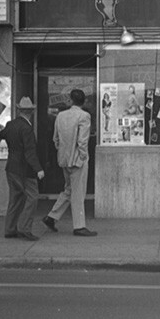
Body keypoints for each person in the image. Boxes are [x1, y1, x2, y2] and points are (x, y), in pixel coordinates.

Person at [43, 89, 97, 237]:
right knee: (78, 193)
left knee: (69, 190)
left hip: (64, 158)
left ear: (70, 100)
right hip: (77, 159)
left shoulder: (60, 115)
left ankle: (51, 217)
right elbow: (82, 141)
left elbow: (55, 138)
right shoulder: (84, 116)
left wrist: (62, 151)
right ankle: (79, 226)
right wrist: (83, 157)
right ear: (83, 101)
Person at [1, 96, 45, 241]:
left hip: (11, 167)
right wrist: (38, 169)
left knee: (15, 198)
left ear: (19, 110)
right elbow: (30, 152)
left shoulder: (10, 125)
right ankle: (24, 228)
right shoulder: (27, 128)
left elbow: (0, 135)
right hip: (24, 170)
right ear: (31, 112)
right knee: (32, 197)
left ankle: (10, 229)